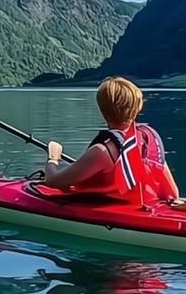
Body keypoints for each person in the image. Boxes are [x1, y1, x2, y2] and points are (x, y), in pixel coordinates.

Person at [43, 76, 179, 205]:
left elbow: (52, 181)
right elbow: (172, 194)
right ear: (137, 108)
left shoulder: (102, 151)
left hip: (114, 217)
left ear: (102, 110)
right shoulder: (149, 141)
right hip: (146, 209)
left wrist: (53, 158)